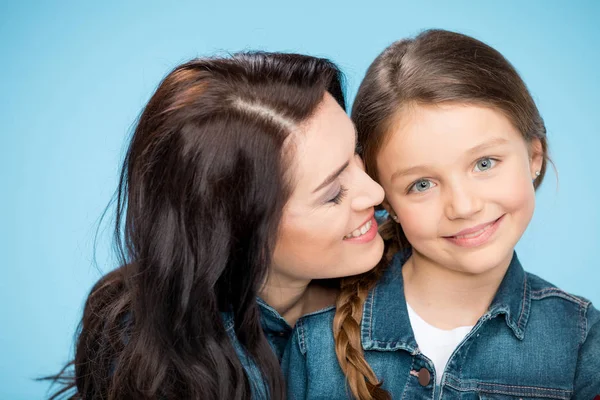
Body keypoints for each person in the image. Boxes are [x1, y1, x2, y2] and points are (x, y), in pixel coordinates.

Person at [47, 51, 385, 400]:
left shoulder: (416, 247)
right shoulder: (158, 368)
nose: (376, 192)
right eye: (332, 195)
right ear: (241, 230)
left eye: (355, 150)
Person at [283, 29, 600, 399]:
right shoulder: (314, 339)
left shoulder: (579, 338)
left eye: (485, 163)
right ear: (385, 200)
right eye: (422, 184)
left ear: (534, 156)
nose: (464, 207)